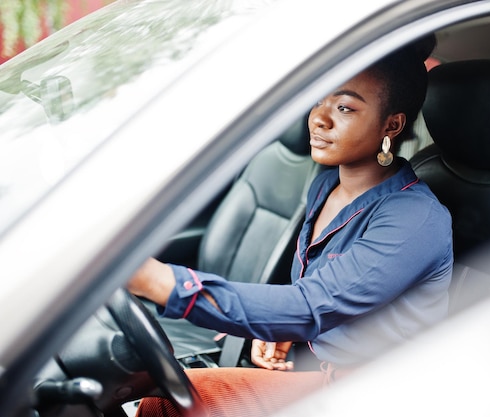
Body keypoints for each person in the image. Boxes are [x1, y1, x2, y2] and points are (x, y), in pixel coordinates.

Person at [128, 35, 453, 417]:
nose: (318, 117)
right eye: (319, 99)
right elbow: (320, 293)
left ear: (392, 124)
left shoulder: (416, 219)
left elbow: (308, 305)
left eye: (345, 107)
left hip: (380, 396)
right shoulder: (325, 184)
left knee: (171, 401)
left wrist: (153, 280)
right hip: (323, 377)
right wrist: (284, 330)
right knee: (158, 393)